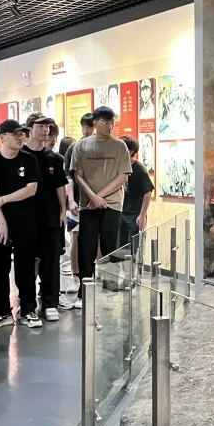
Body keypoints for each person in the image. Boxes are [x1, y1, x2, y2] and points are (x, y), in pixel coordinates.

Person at [0, 119, 40, 328]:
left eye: (22, 134)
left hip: (25, 220)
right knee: (1, 267)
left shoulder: (29, 159)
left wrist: (4, 199)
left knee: (25, 267)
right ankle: (2, 312)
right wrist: (2, 222)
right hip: (0, 222)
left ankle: (28, 310)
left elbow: (31, 189)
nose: (20, 138)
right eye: (15, 134)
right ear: (2, 137)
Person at [72, 107, 131, 296]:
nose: (109, 126)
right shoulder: (81, 146)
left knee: (110, 247)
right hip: (88, 205)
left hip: (112, 204)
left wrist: (100, 196)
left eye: (112, 122)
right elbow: (78, 175)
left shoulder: (120, 146)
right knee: (86, 248)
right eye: (105, 122)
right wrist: (93, 197)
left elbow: (123, 176)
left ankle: (110, 287)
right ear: (95, 122)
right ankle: (84, 291)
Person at [24, 113, 67, 322]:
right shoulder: (21, 156)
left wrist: (63, 210)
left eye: (47, 127)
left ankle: (50, 302)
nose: (45, 130)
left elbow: (60, 186)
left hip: (50, 217)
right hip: (27, 218)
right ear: (30, 128)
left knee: (51, 261)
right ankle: (28, 305)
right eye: (40, 126)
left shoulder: (55, 158)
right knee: (27, 262)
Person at [63, 115, 94, 301]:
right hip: (77, 202)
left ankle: (95, 276)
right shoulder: (74, 148)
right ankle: (76, 276)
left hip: (97, 202)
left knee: (96, 239)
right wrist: (71, 199)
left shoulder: (104, 147)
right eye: (90, 126)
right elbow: (69, 177)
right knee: (76, 237)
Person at [119, 136, 154, 252]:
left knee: (134, 250)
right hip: (121, 213)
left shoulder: (139, 168)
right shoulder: (119, 166)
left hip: (134, 215)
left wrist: (142, 215)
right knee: (119, 249)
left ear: (130, 151)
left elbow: (147, 192)